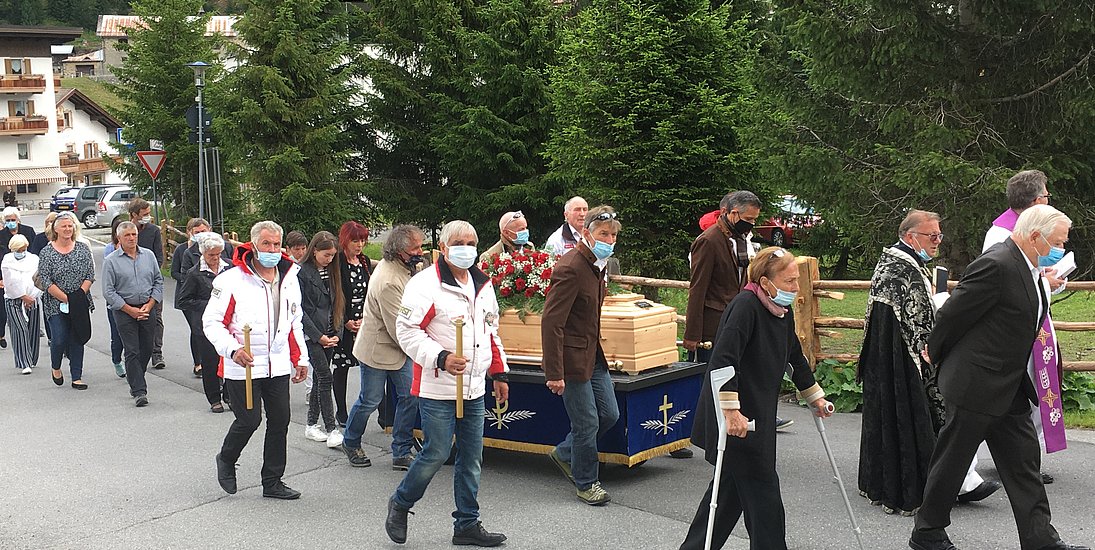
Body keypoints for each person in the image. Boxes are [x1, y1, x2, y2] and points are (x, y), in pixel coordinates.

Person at [909, 205, 1088, 550]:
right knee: (953, 462)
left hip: (1008, 386)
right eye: (1057, 242)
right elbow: (953, 314)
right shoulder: (997, 264)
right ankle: (927, 533)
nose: (1061, 249)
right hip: (976, 384)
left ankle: (1041, 541)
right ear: (1034, 236)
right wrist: (936, 353)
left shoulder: (1030, 267)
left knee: (1024, 465)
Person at [679, 247, 833, 550]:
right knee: (764, 495)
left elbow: (793, 356)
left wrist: (814, 395)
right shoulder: (745, 307)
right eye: (789, 281)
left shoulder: (780, 309)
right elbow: (723, 361)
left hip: (757, 413)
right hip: (738, 419)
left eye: (796, 280)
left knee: (727, 495)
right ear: (765, 282)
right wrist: (731, 412)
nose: (795, 288)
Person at [857, 210, 999, 517]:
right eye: (932, 235)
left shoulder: (892, 262)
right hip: (906, 361)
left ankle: (956, 482)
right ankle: (938, 486)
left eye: (939, 235)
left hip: (890, 359)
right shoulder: (904, 269)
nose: (937, 241)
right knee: (921, 417)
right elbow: (919, 322)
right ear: (911, 237)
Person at [385, 220, 509, 547]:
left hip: (474, 387)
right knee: (437, 452)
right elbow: (406, 330)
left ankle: (467, 523)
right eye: (459, 243)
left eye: (471, 243)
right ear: (443, 248)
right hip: (439, 385)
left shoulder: (483, 284)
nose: (466, 249)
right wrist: (440, 357)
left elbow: (491, 331)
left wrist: (499, 372)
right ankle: (401, 502)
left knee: (472, 458)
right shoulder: (425, 284)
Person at [205, 220, 310, 501]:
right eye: (266, 244)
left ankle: (272, 481)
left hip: (277, 362)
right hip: (244, 363)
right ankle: (226, 458)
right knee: (249, 420)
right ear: (253, 245)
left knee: (280, 420)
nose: (272, 250)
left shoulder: (290, 278)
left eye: (276, 244)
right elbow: (212, 322)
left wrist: (300, 358)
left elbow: (294, 321)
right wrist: (232, 349)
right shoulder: (230, 280)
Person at [982, 169, 1064, 484]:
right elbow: (1006, 284)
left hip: (1036, 322)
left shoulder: (1035, 229)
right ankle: (1013, 461)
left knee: (1041, 389)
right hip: (1014, 328)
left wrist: (1050, 279)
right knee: (1019, 393)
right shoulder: (1001, 234)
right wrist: (1046, 283)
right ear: (1034, 201)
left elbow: (1034, 273)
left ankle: (1027, 459)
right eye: (1046, 196)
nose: (1048, 201)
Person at [540, 205, 622, 505]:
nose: (610, 240)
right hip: (571, 359)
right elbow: (552, 322)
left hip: (593, 355)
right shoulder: (571, 267)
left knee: (609, 414)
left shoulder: (597, 265)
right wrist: (554, 372)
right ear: (586, 233)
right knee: (586, 423)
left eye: (613, 235)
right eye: (604, 234)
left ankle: (565, 453)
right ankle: (587, 482)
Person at [343, 225, 424, 470]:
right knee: (370, 399)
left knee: (410, 396)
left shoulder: (402, 267)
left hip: (399, 348)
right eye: (415, 248)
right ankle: (351, 441)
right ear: (400, 251)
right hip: (378, 349)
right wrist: (424, 351)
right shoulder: (389, 280)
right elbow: (398, 327)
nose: (420, 252)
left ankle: (401, 451)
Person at [102, 221, 164, 407]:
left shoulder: (149, 256)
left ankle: (135, 376)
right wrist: (130, 310)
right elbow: (108, 291)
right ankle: (139, 391)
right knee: (132, 350)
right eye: (127, 235)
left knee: (146, 348)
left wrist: (150, 304)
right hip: (124, 310)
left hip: (147, 307)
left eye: (134, 234)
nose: (131, 238)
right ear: (119, 238)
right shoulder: (111, 261)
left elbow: (158, 281)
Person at [297, 231, 345, 448]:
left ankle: (310, 424)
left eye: (333, 255)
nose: (330, 259)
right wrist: (318, 336)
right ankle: (331, 428)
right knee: (326, 377)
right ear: (314, 250)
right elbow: (300, 309)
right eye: (326, 255)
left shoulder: (333, 271)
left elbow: (338, 302)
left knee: (319, 378)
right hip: (312, 333)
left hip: (330, 331)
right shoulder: (301, 273)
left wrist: (336, 333)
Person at [38, 212, 95, 391]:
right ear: (55, 229)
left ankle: (76, 377)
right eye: (64, 226)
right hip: (56, 302)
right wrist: (66, 298)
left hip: (79, 300)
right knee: (59, 337)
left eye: (70, 226)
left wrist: (78, 296)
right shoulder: (47, 252)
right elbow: (46, 280)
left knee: (77, 337)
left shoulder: (82, 249)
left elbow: (90, 274)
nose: (68, 229)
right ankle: (56, 366)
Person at [177, 232, 231, 413]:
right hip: (205, 326)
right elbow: (183, 300)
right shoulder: (194, 273)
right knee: (210, 362)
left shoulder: (229, 268)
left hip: (228, 324)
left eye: (218, 254)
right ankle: (214, 398)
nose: (215, 258)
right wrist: (210, 304)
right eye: (211, 255)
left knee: (229, 359)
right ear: (203, 253)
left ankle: (230, 395)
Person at [332, 221, 372, 426]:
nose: (359, 245)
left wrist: (365, 318)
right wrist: (345, 320)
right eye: (355, 241)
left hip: (363, 320)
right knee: (342, 367)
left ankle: (382, 411)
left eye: (362, 241)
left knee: (370, 365)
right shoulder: (337, 262)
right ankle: (341, 412)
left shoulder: (364, 261)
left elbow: (368, 293)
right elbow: (335, 293)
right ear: (345, 240)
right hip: (343, 321)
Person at [128, 198, 166, 370]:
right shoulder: (125, 230)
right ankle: (134, 352)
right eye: (144, 214)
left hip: (151, 281)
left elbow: (159, 256)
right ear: (134, 215)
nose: (148, 217)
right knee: (133, 318)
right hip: (129, 284)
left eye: (148, 213)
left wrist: (151, 274)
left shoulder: (153, 230)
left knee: (156, 317)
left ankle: (156, 353)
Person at [172, 217, 212, 378]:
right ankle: (199, 362)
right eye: (197, 232)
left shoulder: (218, 248)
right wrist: (191, 281)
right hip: (189, 296)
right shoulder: (183, 250)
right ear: (189, 233)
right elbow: (175, 272)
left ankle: (212, 360)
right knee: (197, 329)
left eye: (203, 231)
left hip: (210, 296)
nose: (200, 234)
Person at [2, 235, 41, 374]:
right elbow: (10, 283)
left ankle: (32, 358)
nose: (21, 252)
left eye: (23, 249)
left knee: (32, 329)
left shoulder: (34, 259)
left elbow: (38, 279)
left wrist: (32, 296)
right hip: (13, 299)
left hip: (33, 298)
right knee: (20, 329)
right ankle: (24, 362)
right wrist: (23, 296)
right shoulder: (7, 261)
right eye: (18, 250)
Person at [0, 206, 37, 350]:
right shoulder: (1, 236)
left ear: (18, 219)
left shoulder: (28, 231)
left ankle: (31, 348)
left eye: (13, 220)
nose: (10, 222)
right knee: (4, 311)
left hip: (29, 279)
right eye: (8, 220)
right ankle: (2, 334)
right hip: (7, 280)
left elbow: (34, 254)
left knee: (31, 317)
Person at [103, 217, 126, 378]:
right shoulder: (109, 250)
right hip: (115, 299)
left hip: (133, 298)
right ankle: (117, 359)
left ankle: (132, 364)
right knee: (117, 334)